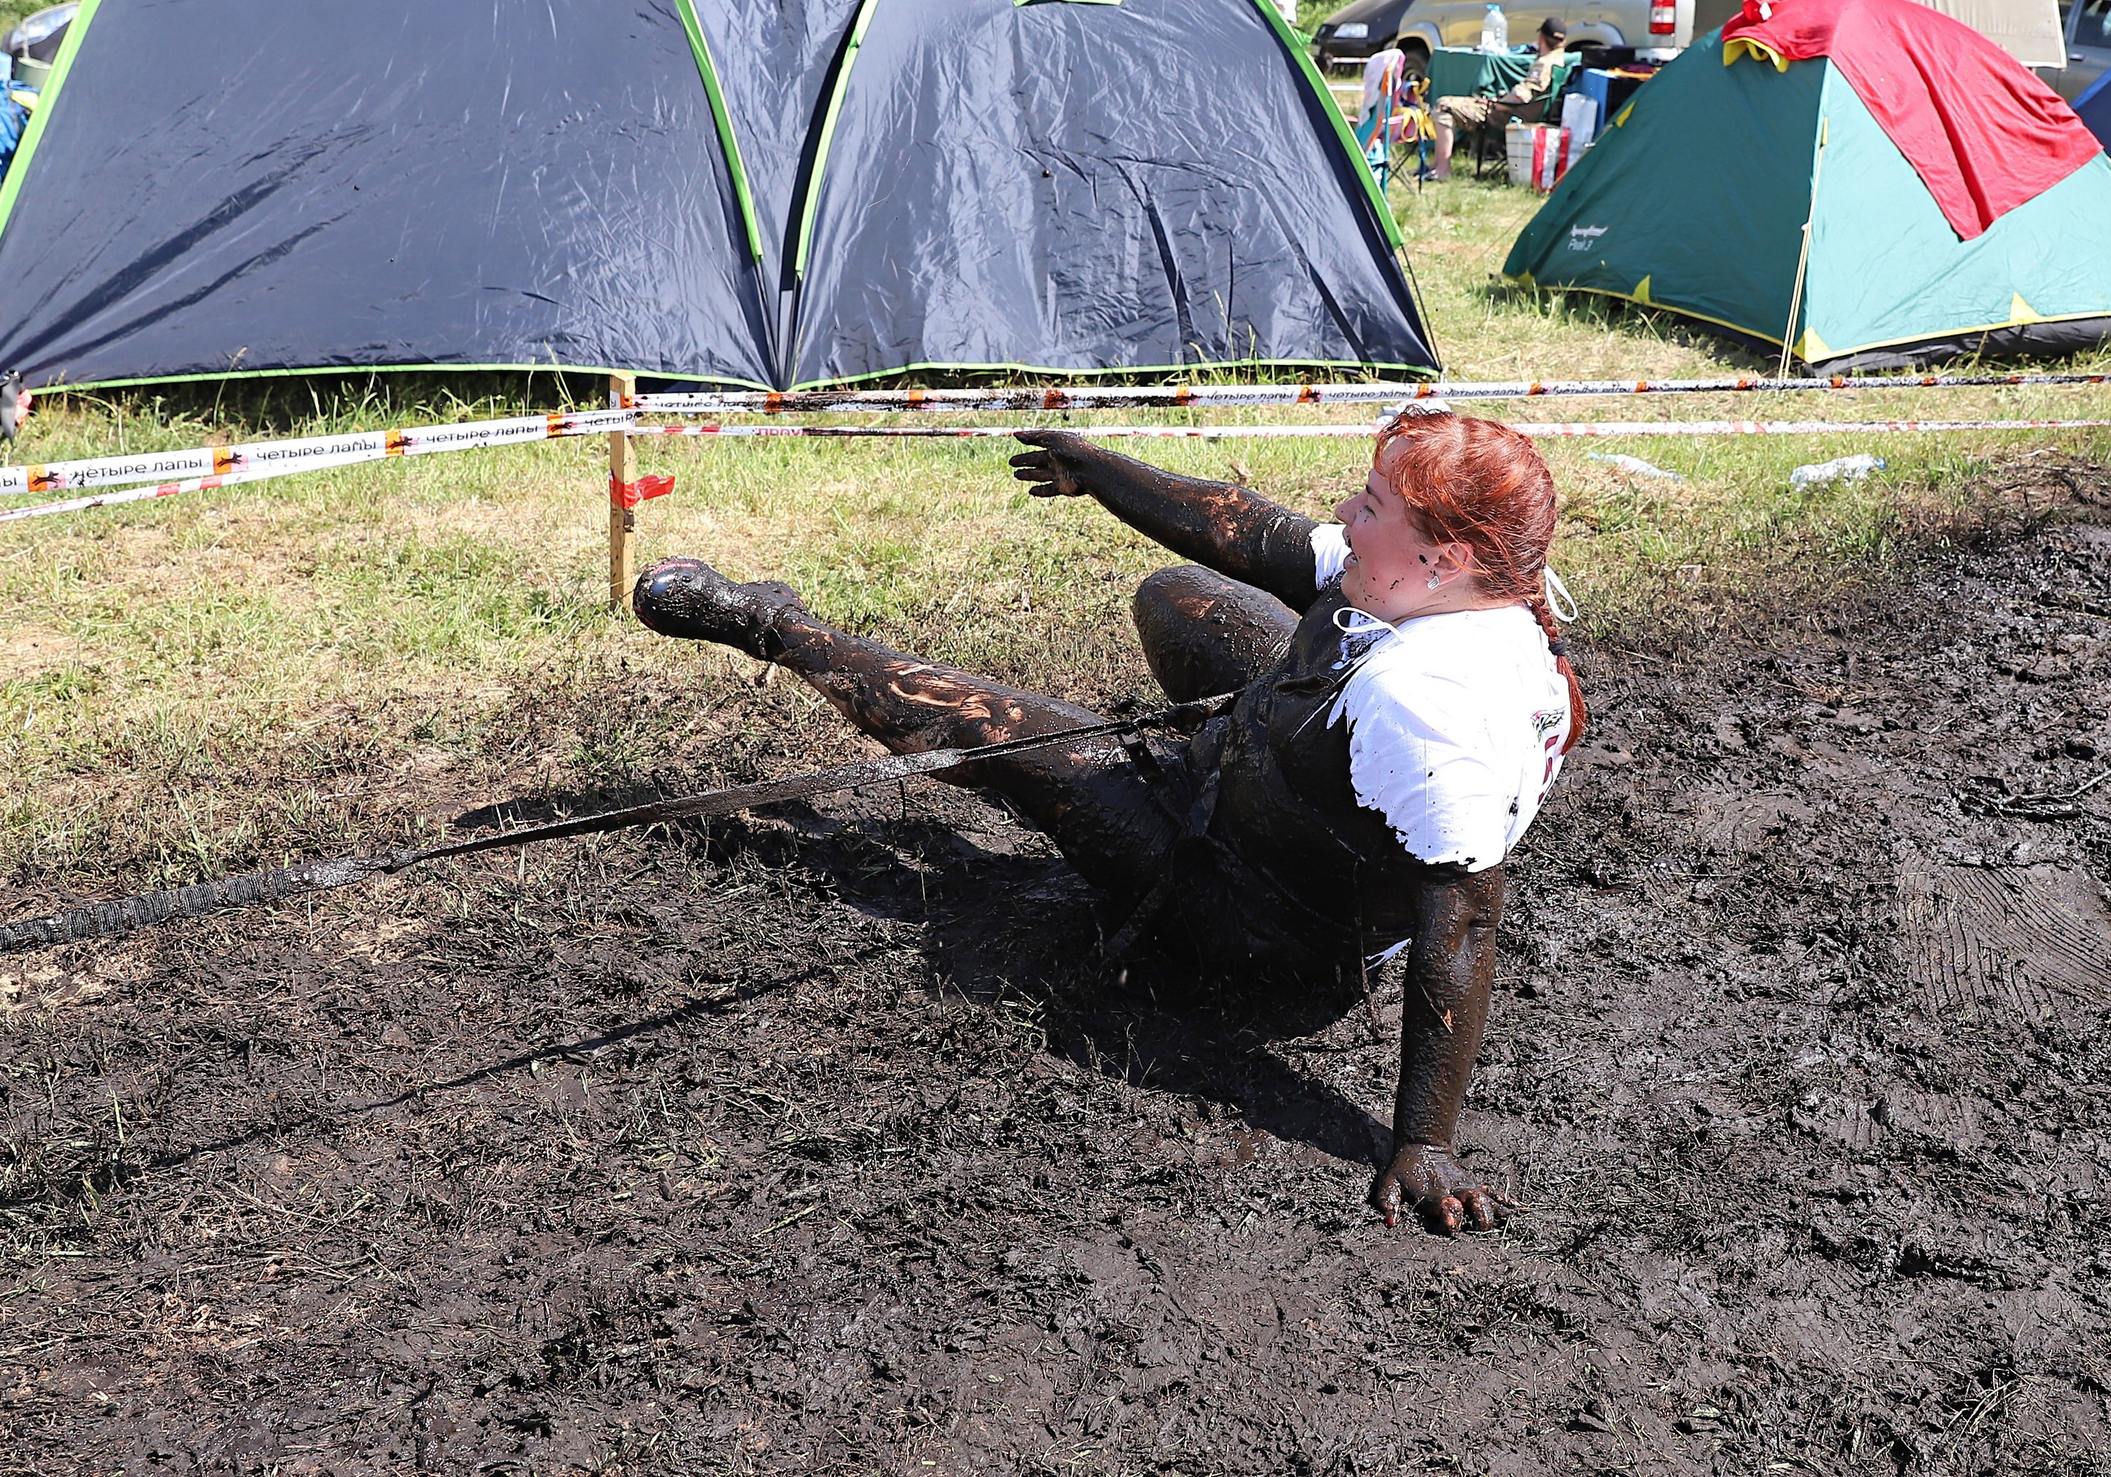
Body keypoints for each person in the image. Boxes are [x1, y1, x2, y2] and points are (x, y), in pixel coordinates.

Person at [631, 409, 1584, 1234]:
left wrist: (1422, 1139)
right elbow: (1259, 534)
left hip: (1245, 907)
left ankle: (773, 625)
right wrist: (1100, 472)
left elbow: (1460, 927)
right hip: (1278, 787)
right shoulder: (1458, 591)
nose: (1345, 511)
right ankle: (1235, 749)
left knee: (1001, 732)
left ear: (1443, 557)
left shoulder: (1437, 710)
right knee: (1183, 599)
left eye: (1371, 506)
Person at [1431, 15, 1575, 180]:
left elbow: (1521, 96)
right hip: (1518, 112)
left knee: (1444, 105)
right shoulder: (1558, 60)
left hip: (1510, 115)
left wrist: (1496, 104)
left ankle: (1442, 168)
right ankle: (1436, 164)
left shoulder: (1544, 64)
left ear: (1541, 38)